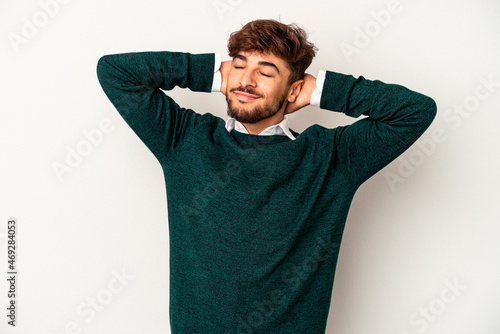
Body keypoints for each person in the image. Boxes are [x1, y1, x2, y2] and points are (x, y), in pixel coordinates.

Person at [97, 19, 436, 334]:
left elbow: (414, 111)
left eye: (266, 72)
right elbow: (115, 72)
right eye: (240, 65)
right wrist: (212, 73)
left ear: (293, 90)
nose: (246, 80)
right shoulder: (184, 139)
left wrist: (320, 90)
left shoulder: (333, 158)